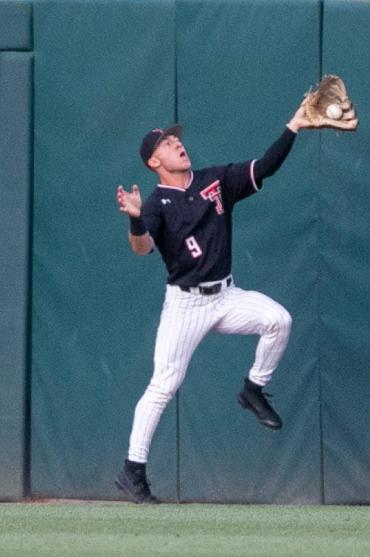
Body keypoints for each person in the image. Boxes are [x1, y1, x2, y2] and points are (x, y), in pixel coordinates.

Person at [114, 102, 312, 504]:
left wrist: (294, 125)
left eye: (178, 140)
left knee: (279, 320)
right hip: (186, 304)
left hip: (226, 294)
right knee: (163, 384)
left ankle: (253, 389)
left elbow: (266, 166)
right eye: (168, 144)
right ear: (155, 161)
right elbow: (141, 249)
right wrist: (135, 218)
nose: (178, 145)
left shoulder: (214, 181)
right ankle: (132, 471)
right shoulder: (155, 204)